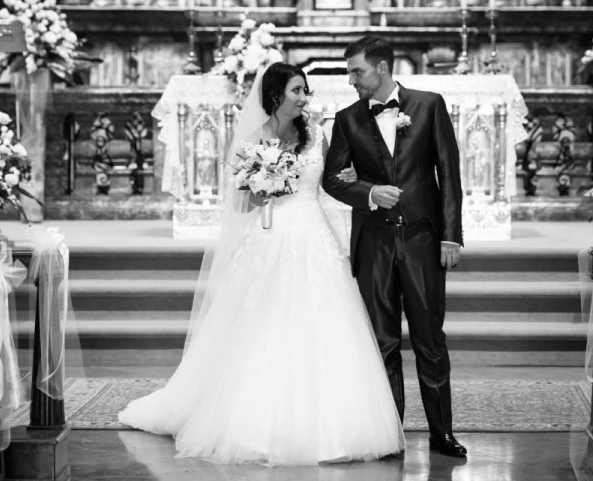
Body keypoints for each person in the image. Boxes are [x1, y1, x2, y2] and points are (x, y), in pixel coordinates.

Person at [118, 62, 405, 465]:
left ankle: (342, 423)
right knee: (266, 324)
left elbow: (334, 180)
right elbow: (242, 203)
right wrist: (263, 183)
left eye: (305, 91)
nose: (304, 98)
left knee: (325, 321)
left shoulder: (317, 135)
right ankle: (256, 420)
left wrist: (367, 190)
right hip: (271, 238)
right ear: (275, 96)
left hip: (314, 236)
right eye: (296, 91)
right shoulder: (252, 141)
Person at [322, 36, 467, 458]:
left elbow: (448, 174)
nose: (352, 80)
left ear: (381, 68)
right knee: (382, 343)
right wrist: (368, 192)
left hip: (423, 240)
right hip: (374, 244)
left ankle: (442, 433)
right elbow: (332, 179)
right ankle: (390, 434)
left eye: (357, 72)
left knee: (429, 340)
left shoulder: (428, 105)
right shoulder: (347, 119)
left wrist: (451, 235)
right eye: (350, 73)